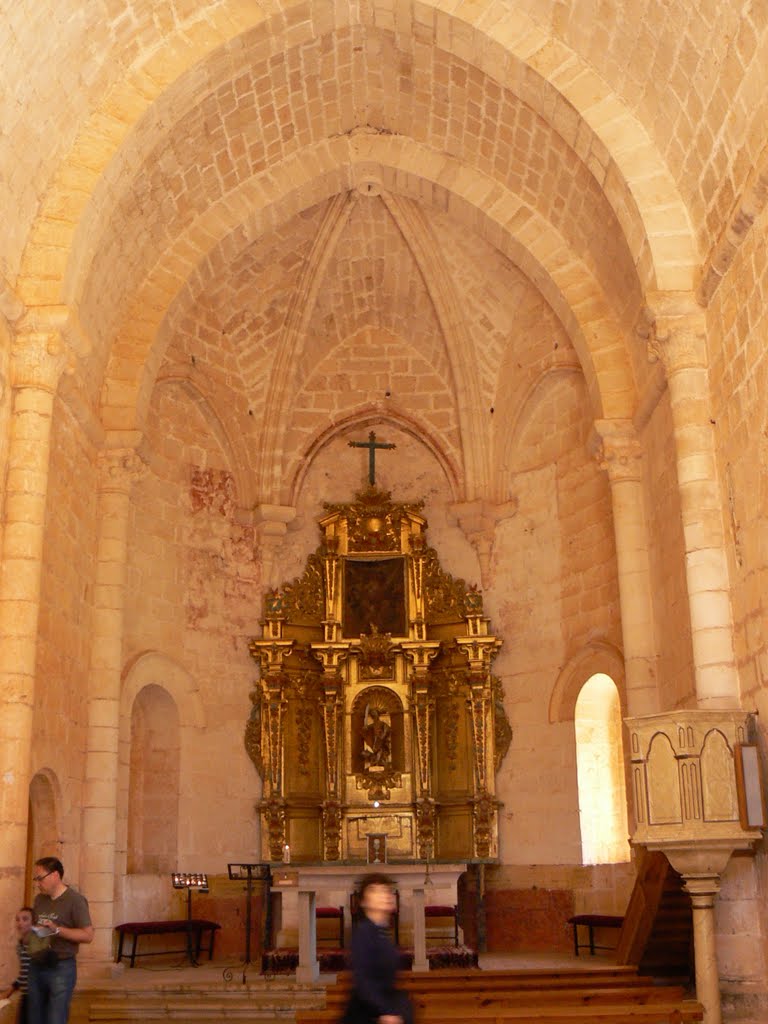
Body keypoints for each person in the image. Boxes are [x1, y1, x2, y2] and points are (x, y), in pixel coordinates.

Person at [27, 858, 93, 1024]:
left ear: (55, 875)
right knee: (34, 1018)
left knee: (55, 1018)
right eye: (36, 879)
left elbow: (87, 935)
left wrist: (56, 929)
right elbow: (38, 927)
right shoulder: (39, 900)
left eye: (40, 878)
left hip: (61, 967)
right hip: (37, 963)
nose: (37, 883)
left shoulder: (75, 900)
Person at [342, 873, 413, 1024]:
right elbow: (362, 980)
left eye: (386, 890)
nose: (384, 895)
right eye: (375, 890)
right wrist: (386, 1011)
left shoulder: (380, 931)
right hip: (366, 1012)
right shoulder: (364, 932)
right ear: (363, 902)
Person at [2, 906, 33, 1023]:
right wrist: (10, 990)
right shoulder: (20, 946)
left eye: (25, 919)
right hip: (25, 995)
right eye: (18, 919)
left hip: (37, 996)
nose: (20, 923)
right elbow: (24, 973)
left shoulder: (37, 945)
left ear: (33, 923)